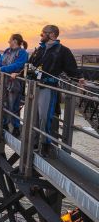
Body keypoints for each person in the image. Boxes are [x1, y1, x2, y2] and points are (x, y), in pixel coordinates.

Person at [29, 24, 84, 156]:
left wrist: (80, 78)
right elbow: (31, 65)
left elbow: (71, 68)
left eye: (43, 33)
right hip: (35, 86)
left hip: (48, 87)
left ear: (52, 34)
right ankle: (35, 142)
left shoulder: (62, 51)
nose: (40, 35)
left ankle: (45, 145)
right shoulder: (39, 49)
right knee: (34, 116)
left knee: (45, 116)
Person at [0, 33, 28, 137]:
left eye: (10, 40)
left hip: (14, 82)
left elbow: (18, 65)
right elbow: (1, 62)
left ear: (15, 41)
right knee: (3, 102)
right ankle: (4, 124)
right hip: (3, 81)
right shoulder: (7, 51)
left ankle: (16, 127)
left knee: (14, 104)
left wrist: (2, 69)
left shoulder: (22, 53)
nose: (8, 42)